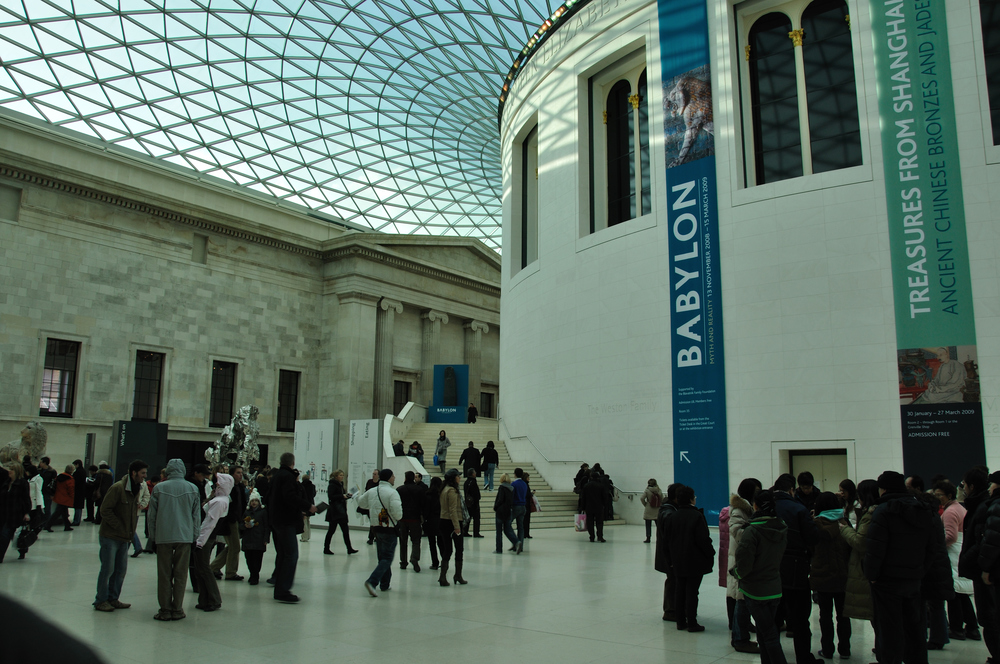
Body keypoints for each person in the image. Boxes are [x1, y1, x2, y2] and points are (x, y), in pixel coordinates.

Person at [864, 470, 951, 664]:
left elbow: (875, 548)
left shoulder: (884, 510)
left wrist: (872, 575)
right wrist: (921, 570)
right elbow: (932, 547)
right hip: (914, 580)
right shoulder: (923, 509)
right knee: (915, 629)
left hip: (887, 581)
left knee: (889, 631)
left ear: (883, 489)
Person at [732, 489, 789, 664]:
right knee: (765, 635)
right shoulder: (782, 527)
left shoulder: (752, 531)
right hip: (774, 587)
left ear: (755, 506)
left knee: (769, 635)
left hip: (755, 590)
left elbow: (744, 564)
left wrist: (736, 573)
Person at [772, 473, 819, 664]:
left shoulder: (765, 507)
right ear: (792, 490)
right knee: (800, 619)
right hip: (796, 568)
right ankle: (803, 658)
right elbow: (812, 539)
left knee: (773, 618)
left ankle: (772, 657)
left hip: (770, 570)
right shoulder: (798, 509)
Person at [147, 458, 201, 621]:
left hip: (164, 536)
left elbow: (152, 516)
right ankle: (177, 608)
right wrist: (194, 536)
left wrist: (153, 537)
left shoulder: (159, 488)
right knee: (181, 574)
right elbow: (196, 516)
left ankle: (164, 609)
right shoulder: (192, 488)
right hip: (184, 536)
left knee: (164, 574)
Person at [93, 459, 148, 612]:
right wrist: (118, 526)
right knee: (108, 569)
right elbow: (105, 510)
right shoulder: (118, 488)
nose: (145, 476)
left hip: (125, 537)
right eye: (143, 473)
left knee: (120, 570)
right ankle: (101, 600)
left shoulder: (136, 488)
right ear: (134, 473)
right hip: (110, 536)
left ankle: (113, 598)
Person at [662, 484, 714, 632]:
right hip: (695, 560)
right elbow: (703, 539)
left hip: (677, 560)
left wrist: (669, 560)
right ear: (692, 500)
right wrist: (710, 553)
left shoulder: (673, 516)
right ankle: (691, 622)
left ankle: (680, 622)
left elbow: (666, 541)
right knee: (692, 592)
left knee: (680, 590)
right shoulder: (697, 516)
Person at [959, 467, 998, 662]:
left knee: (989, 617)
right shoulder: (982, 505)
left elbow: (985, 541)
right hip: (984, 569)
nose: (962, 488)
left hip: (986, 572)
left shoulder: (984, 506)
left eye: (964, 485)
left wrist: (977, 564)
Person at [267, 453, 317, 603]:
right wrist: (308, 506)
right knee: (291, 555)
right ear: (293, 463)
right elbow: (290, 497)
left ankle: (280, 587)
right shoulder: (288, 476)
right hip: (285, 521)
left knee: (283, 554)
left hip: (277, 520)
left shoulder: (277, 476)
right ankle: (283, 590)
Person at [934, 479, 979, 641]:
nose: (937, 497)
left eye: (939, 495)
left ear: (949, 495)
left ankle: (957, 628)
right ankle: (972, 628)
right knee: (960, 594)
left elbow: (951, 536)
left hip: (953, 554)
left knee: (954, 593)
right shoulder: (959, 507)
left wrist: (937, 545)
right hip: (960, 551)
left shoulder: (951, 511)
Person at [838, 479, 877, 655]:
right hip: (877, 569)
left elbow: (859, 541)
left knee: (877, 615)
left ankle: (884, 651)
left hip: (869, 569)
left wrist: (845, 529)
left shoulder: (870, 514)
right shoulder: (875, 512)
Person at [811, 491, 852, 659]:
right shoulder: (845, 522)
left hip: (823, 576)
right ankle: (845, 649)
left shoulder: (816, 524)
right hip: (843, 576)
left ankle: (827, 649)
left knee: (825, 616)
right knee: (843, 615)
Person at [725, 478, 762, 653]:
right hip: (741, 559)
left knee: (744, 599)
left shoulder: (748, 508)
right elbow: (737, 532)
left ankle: (741, 636)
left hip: (745, 557)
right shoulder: (740, 509)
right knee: (741, 600)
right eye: (756, 490)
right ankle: (740, 639)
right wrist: (755, 530)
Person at [358, 468, 402, 596]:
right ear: (389, 478)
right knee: (387, 558)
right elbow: (398, 514)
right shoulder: (392, 493)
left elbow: (361, 503)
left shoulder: (372, 491)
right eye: (393, 476)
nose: (394, 478)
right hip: (389, 528)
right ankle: (372, 582)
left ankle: (385, 584)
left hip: (376, 528)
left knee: (382, 558)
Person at [193, 473, 233, 612]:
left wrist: (199, 542)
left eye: (218, 482)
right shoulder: (221, 499)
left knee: (204, 569)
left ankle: (214, 599)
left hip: (206, 538)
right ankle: (205, 599)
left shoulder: (219, 501)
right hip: (207, 538)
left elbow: (209, 524)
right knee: (201, 569)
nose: (215, 484)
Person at [210, 465, 246, 579]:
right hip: (229, 520)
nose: (240, 475)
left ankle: (214, 568)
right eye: (238, 473)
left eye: (241, 473)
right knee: (234, 546)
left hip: (235, 519)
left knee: (232, 546)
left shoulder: (239, 487)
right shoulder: (229, 488)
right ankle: (228, 571)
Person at [655, 483, 681, 621]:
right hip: (670, 555)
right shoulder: (669, 512)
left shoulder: (669, 509)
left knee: (673, 580)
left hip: (669, 554)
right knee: (672, 580)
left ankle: (675, 608)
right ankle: (671, 610)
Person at [437, 468, 466, 586]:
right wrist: (457, 526)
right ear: (453, 478)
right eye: (458, 476)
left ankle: (443, 576)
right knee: (459, 549)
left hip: (443, 521)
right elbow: (453, 510)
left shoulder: (444, 489)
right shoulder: (452, 491)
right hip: (453, 522)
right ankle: (458, 575)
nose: (459, 478)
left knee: (447, 549)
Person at [0, 462, 32, 562]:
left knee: (5, 535)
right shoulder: (7, 482)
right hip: (4, 513)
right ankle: (22, 549)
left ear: (17, 471)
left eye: (12, 469)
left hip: (15, 514)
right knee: (9, 535)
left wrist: (27, 512)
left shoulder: (22, 483)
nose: (9, 471)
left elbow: (26, 498)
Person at [323, 469, 357, 554]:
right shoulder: (332, 485)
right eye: (340, 475)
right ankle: (326, 548)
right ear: (336, 476)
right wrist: (342, 496)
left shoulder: (340, 484)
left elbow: (341, 496)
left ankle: (349, 548)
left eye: (343, 475)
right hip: (334, 511)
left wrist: (347, 496)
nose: (342, 477)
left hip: (341, 511)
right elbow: (331, 496)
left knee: (345, 530)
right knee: (331, 531)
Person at [240, 489, 269, 585]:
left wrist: (266, 539)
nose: (254, 503)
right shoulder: (246, 512)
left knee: (257, 559)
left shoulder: (263, 512)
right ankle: (252, 573)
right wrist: (244, 526)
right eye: (252, 501)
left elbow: (266, 526)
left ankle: (255, 575)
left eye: (256, 501)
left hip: (258, 539)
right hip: (248, 539)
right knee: (248, 558)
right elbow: (240, 524)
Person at [396, 470, 423, 571]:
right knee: (416, 540)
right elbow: (422, 504)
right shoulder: (419, 489)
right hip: (415, 519)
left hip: (402, 519)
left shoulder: (399, 489)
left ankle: (403, 561)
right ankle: (414, 558)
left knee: (403, 541)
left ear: (405, 478)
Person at [493, 472, 518, 553]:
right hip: (508, 511)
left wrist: (496, 507)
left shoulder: (502, 488)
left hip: (500, 511)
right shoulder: (511, 488)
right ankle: (517, 542)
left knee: (499, 531)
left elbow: (500, 499)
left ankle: (499, 549)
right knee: (507, 529)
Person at [46, 464, 76, 532]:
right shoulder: (70, 479)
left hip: (59, 496)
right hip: (65, 498)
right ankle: (48, 525)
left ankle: (67, 526)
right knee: (58, 513)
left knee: (64, 512)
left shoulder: (59, 477)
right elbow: (70, 489)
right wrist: (72, 497)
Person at [129, 470, 151, 557]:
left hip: (136, 510)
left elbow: (147, 495)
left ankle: (137, 547)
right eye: (143, 473)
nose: (145, 475)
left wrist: (142, 505)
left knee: (130, 529)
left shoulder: (143, 484)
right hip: (128, 509)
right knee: (130, 529)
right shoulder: (126, 483)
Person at [581, 470, 606, 543]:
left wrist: (583, 507)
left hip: (589, 507)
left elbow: (583, 498)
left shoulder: (586, 486)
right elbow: (604, 497)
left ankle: (592, 536)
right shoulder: (601, 486)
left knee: (590, 522)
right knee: (599, 522)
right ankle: (600, 536)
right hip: (599, 507)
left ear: (591, 477)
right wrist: (604, 505)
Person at [423, 476, 443, 569]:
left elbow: (426, 510)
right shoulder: (442, 494)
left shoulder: (427, 495)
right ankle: (444, 560)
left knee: (432, 543)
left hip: (430, 520)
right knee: (441, 542)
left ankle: (435, 562)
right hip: (440, 520)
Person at [640, 478, 662, 543]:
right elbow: (662, 499)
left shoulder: (647, 490)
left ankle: (648, 538)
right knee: (659, 526)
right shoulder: (659, 490)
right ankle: (659, 538)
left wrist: (646, 504)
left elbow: (642, 498)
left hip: (649, 509)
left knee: (648, 525)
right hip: (657, 509)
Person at [463, 468, 482, 538]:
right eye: (474, 472)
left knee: (468, 518)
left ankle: (465, 531)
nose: (476, 473)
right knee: (476, 519)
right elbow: (475, 493)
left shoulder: (466, 482)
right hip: (474, 503)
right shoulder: (473, 482)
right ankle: (476, 532)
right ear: (472, 474)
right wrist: (477, 499)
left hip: (468, 503)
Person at [37, 457, 56, 521]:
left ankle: (47, 523)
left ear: (45, 463)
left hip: (47, 492)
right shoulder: (39, 471)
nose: (40, 463)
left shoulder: (52, 472)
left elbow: (53, 483)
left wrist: (52, 493)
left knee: (47, 508)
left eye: (41, 462)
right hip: (39, 491)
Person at [363, 469, 379, 545]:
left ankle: (374, 537)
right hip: (370, 505)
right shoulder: (369, 482)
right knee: (372, 522)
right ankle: (372, 537)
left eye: (375, 474)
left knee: (375, 522)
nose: (373, 475)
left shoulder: (380, 483)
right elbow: (366, 491)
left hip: (377, 505)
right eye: (373, 474)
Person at [300, 471, 316, 543]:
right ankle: (308, 536)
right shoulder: (312, 486)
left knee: (304, 521)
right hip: (311, 504)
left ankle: (304, 537)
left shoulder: (301, 486)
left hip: (304, 505)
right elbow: (314, 494)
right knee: (308, 520)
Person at [71, 459, 86, 525]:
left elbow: (75, 481)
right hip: (82, 491)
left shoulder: (78, 472)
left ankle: (76, 521)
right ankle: (77, 520)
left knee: (77, 506)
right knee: (79, 506)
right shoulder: (83, 471)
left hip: (78, 491)